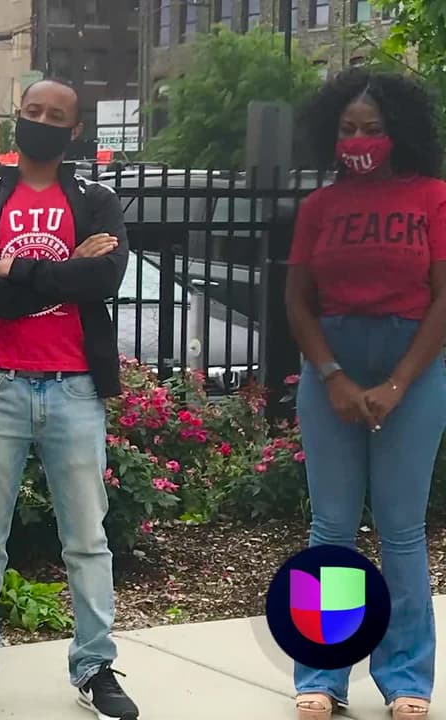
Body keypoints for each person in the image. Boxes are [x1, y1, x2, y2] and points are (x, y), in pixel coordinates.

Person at [0, 78, 137, 720]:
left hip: (74, 385)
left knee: (87, 538)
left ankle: (95, 666)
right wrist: (64, 270)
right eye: (32, 111)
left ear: (73, 130)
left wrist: (16, 270)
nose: (42, 121)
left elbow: (104, 278)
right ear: (16, 117)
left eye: (55, 115)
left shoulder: (97, 200)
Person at [287, 68, 446, 720]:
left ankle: (407, 679)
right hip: (333, 361)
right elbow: (298, 301)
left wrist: (399, 382)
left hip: (415, 361)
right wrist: (333, 377)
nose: (358, 141)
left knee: (402, 529)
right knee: (331, 527)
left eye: (372, 129)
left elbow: (443, 298)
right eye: (347, 129)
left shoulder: (433, 197)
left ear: (398, 132)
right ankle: (320, 676)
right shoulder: (318, 208)